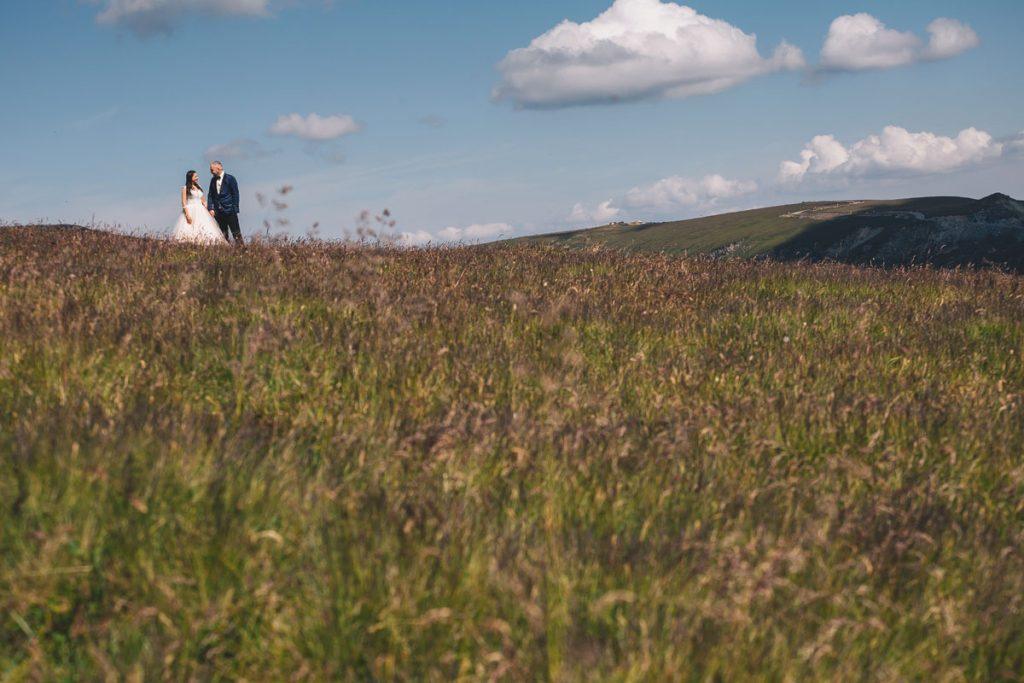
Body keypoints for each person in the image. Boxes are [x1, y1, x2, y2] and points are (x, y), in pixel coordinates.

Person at [171, 170, 228, 245]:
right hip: (191, 209)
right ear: (190, 177)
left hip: (201, 210)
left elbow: (203, 201)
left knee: (205, 227)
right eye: (195, 176)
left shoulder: (199, 187)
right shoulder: (185, 188)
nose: (197, 178)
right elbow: (184, 202)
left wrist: (210, 210)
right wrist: (187, 214)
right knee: (190, 228)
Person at [207, 161, 243, 245]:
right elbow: (210, 195)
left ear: (218, 168)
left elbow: (235, 194)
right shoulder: (212, 180)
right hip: (218, 212)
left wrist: (235, 208)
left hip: (230, 210)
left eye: (212, 170)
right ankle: (227, 251)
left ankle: (242, 251)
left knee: (236, 232)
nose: (211, 172)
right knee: (223, 234)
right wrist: (210, 208)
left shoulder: (230, 178)